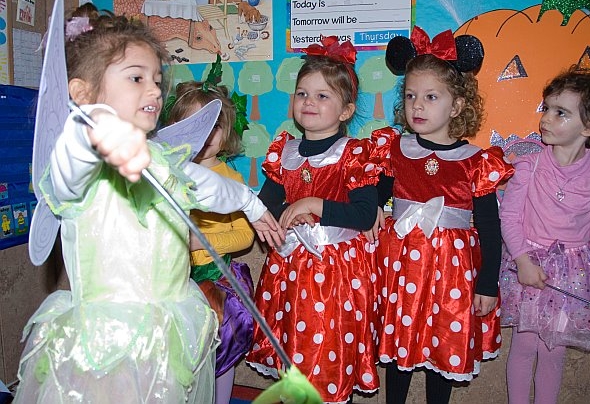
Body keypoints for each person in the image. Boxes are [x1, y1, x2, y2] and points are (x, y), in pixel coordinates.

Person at [14, 4, 283, 403]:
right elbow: (69, 168)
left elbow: (207, 185)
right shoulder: (81, 161)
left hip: (166, 333)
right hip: (106, 347)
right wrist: (96, 133)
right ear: (82, 93)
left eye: (157, 79)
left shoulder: (160, 157)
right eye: (137, 78)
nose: (155, 90)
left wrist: (251, 205)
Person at [371, 27, 514, 404]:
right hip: (401, 267)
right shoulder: (394, 149)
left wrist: (487, 284)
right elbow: (376, 195)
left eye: (430, 97)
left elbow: (490, 228)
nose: (417, 106)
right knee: (399, 349)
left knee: (443, 345)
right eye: (411, 95)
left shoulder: (475, 162)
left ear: (456, 106)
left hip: (452, 273)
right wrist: (372, 208)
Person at [244, 36, 381, 403]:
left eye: (322, 96)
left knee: (328, 355)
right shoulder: (284, 152)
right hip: (289, 272)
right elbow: (264, 206)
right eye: (302, 93)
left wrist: (315, 203)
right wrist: (279, 216)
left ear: (346, 111)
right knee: (295, 354)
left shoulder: (353, 154)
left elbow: (364, 214)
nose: (309, 102)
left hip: (335, 277)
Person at [499, 68, 590, 404]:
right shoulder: (528, 166)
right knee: (525, 346)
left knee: (553, 350)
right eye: (547, 108)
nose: (546, 118)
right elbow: (509, 218)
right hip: (528, 266)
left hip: (573, 276)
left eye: (560, 113)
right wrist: (523, 261)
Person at [166, 78, 255, 404]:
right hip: (175, 281)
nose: (205, 134)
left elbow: (245, 235)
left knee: (222, 347)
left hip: (216, 281)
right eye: (194, 123)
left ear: (226, 131)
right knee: (178, 355)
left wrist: (200, 242)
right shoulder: (167, 173)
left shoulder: (231, 179)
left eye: (214, 125)